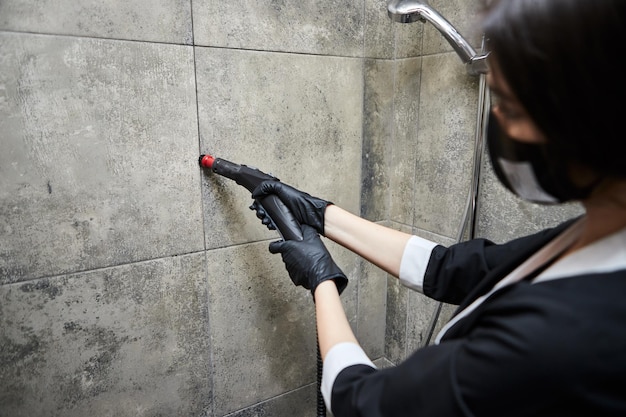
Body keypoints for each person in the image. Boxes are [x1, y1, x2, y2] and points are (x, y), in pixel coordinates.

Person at [252, 0, 626, 415]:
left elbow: (360, 403)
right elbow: (451, 268)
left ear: (595, 116)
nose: (498, 119)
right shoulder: (599, 232)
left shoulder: (563, 339)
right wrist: (319, 214)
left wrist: (321, 280)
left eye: (510, 104)